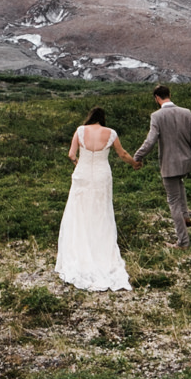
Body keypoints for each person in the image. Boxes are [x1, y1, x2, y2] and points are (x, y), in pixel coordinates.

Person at [55, 105, 135, 291]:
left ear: (90, 116)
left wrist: (77, 163)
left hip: (82, 174)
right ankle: (101, 250)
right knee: (101, 212)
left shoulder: (80, 131)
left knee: (79, 211)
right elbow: (122, 154)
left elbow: (71, 154)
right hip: (101, 175)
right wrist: (134, 163)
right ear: (103, 118)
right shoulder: (111, 133)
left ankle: (80, 250)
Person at [130, 83, 191, 248]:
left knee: (173, 200)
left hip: (169, 165)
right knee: (180, 184)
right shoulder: (186, 113)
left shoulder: (157, 116)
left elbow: (150, 140)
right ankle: (185, 216)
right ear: (169, 94)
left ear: (156, 98)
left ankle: (183, 242)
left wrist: (138, 156)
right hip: (186, 162)